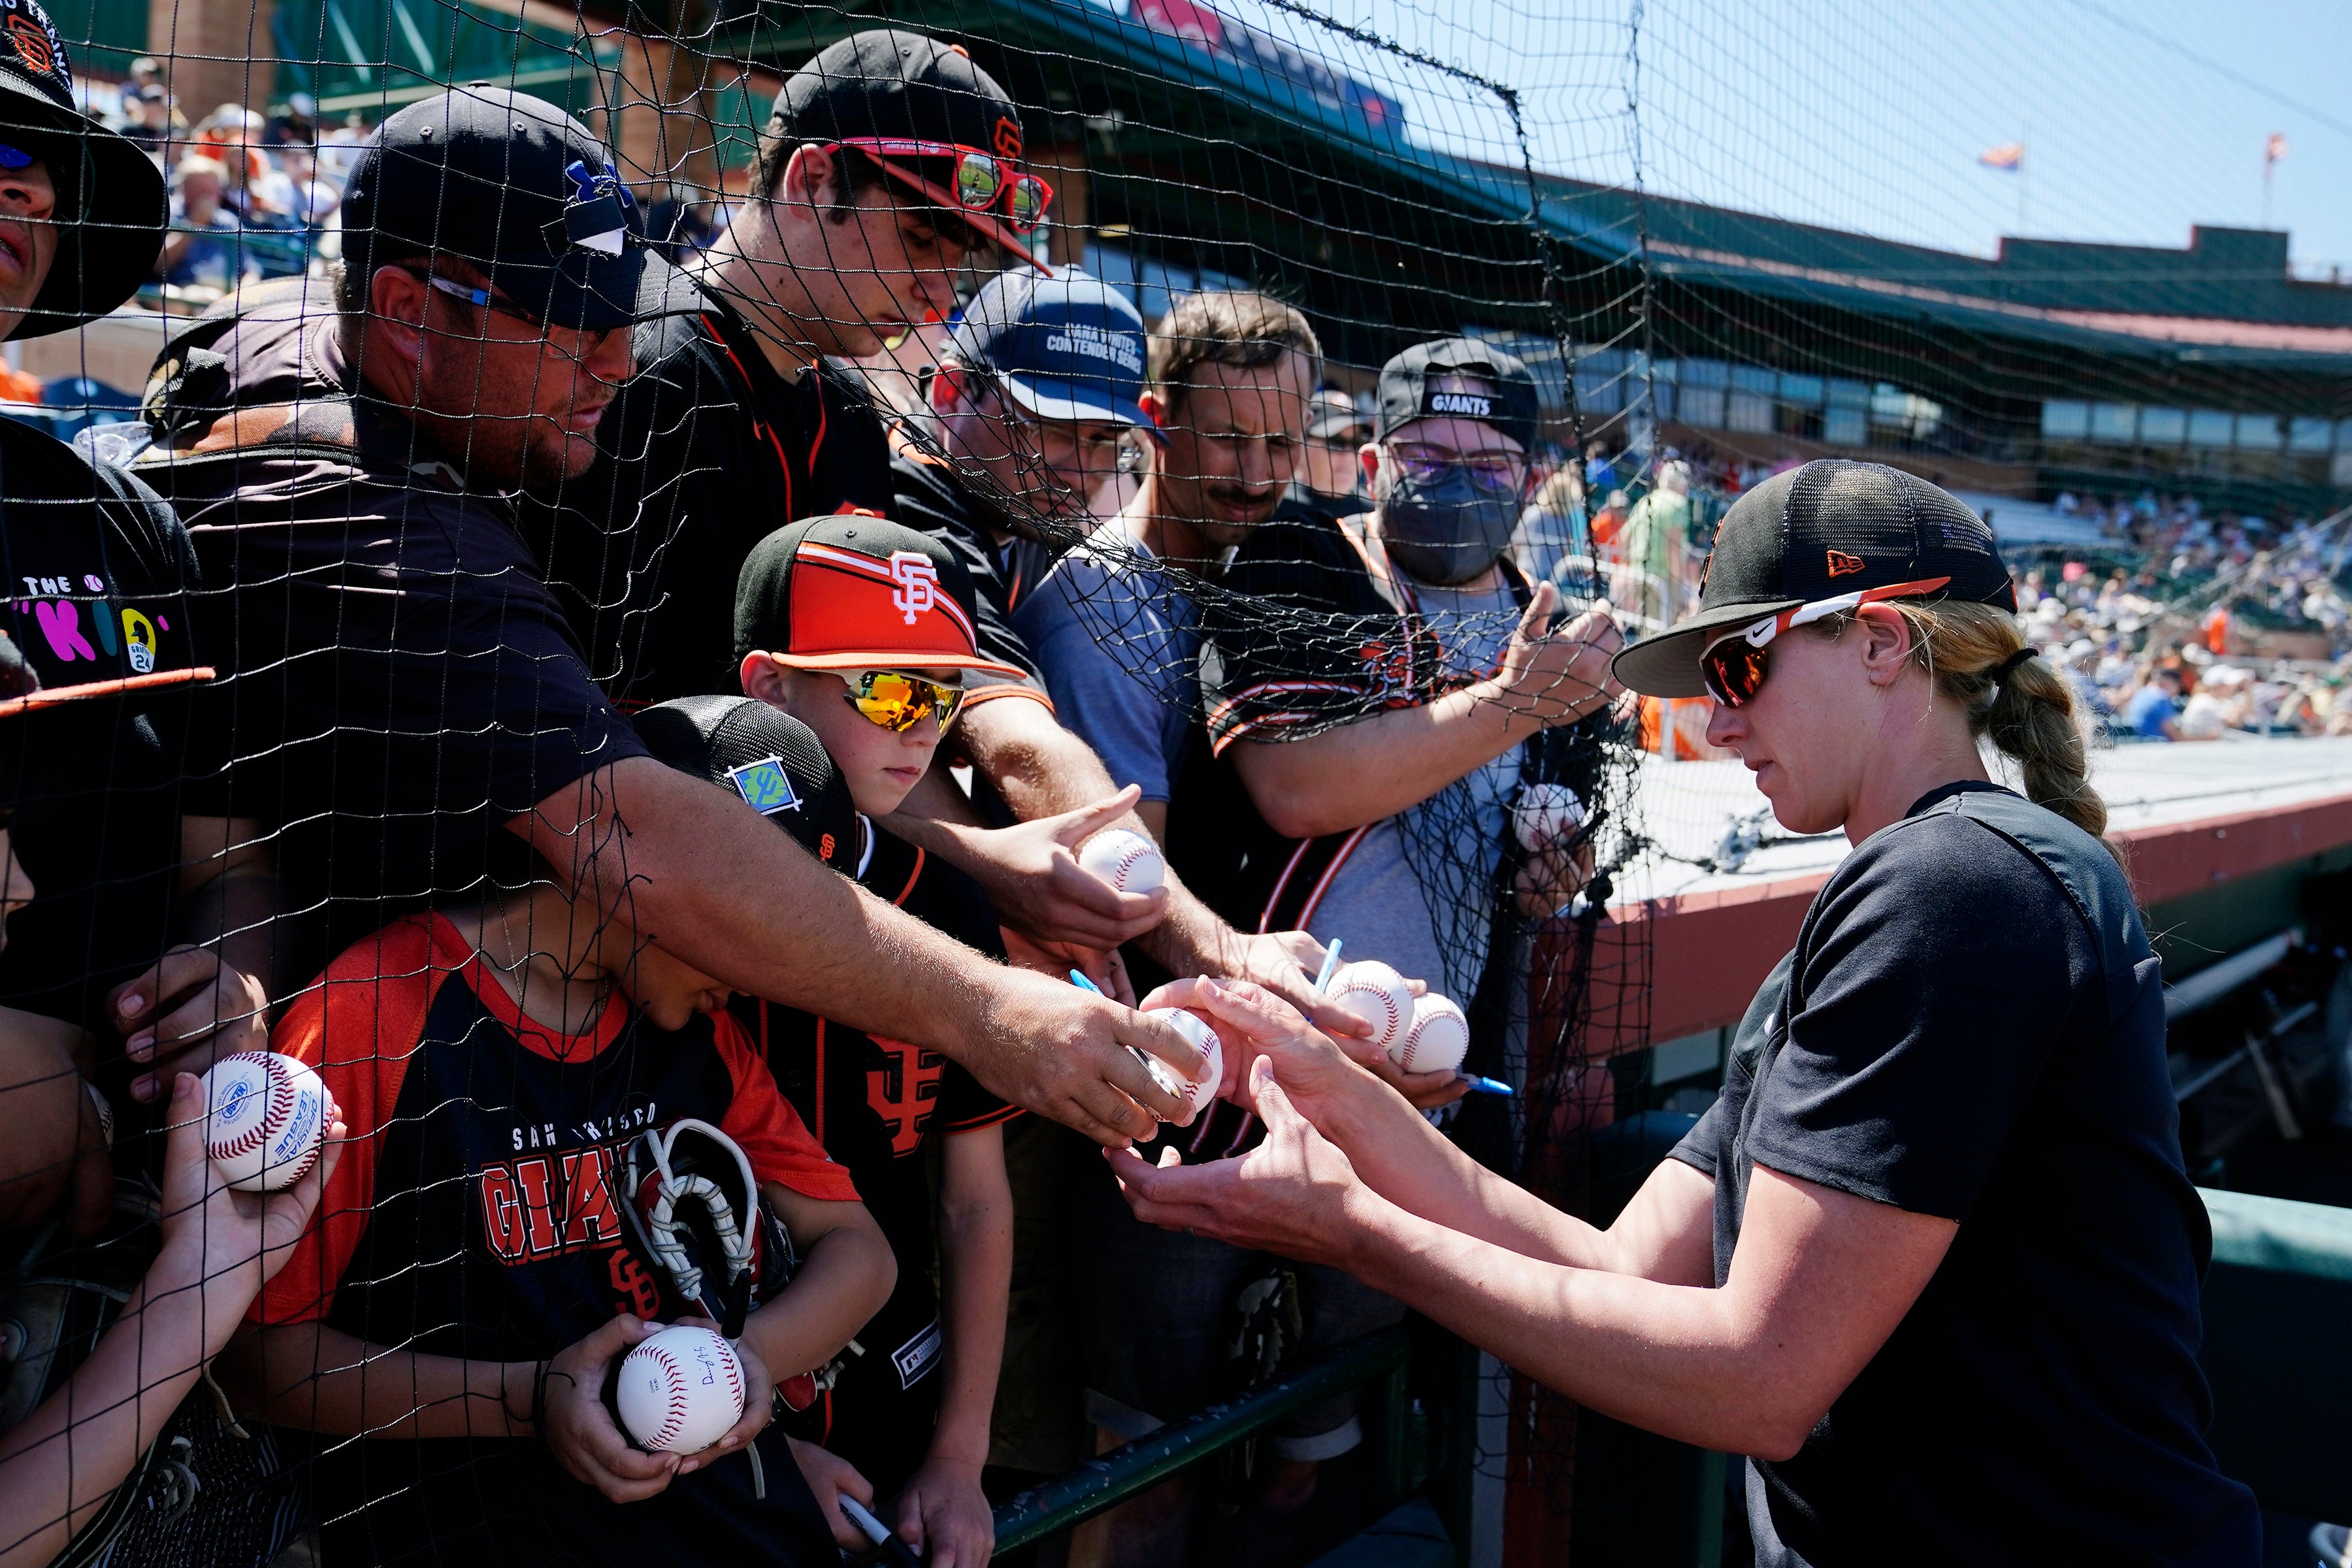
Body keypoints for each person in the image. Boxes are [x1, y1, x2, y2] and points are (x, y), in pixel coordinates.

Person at [1115, 461, 2263, 1566]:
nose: (1718, 724)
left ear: (1879, 641)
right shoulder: (1924, 887)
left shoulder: (1956, 884)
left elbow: (1759, 1383)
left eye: (1740, 668)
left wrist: (1355, 1233)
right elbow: (1620, 1268)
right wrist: (1339, 1098)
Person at [131, 90, 1203, 1158]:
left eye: (622, 311)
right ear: (409, 311)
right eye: (572, 322)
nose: (616, 358)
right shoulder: (378, 518)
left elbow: (238, 834)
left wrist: (241, 959)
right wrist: (993, 1011)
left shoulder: (352, 365)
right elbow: (635, 831)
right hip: (335, 1072)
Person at [227, 739, 896, 1565]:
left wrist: (747, 1359)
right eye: (762, 923)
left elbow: (862, 1253)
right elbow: (253, 1361)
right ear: (648, 863)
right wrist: (527, 1398)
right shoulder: (372, 1014)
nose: (770, 975)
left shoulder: (696, 1027)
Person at [521, 28, 1047, 711]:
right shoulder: (644, 368)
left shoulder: (849, 411)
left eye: (961, 261)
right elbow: (627, 718)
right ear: (812, 180)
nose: (941, 294)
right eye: (921, 240)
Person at [728, 516, 1024, 1566]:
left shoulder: (948, 899)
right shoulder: (674, 897)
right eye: (890, 691)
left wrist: (960, 1456)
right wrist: (751, 1447)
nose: (922, 729)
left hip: (895, 1384)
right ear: (769, 688)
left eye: (943, 695)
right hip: (698, 1381)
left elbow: (975, 1200)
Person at [0, 12, 272, 1115]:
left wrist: (234, 981)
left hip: (155, 1161)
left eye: (39, 165)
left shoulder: (128, 524)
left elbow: (231, 865)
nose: (19, 184)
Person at [1616, 457, 1690, 632]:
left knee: (1645, 630)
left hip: (1638, 575)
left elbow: (1624, 536)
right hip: (1663, 581)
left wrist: (1626, 566)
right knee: (1662, 633)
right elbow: (1673, 548)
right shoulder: (1679, 504)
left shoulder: (1645, 500)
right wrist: (1679, 584)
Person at [157, 153, 246, 292]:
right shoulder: (168, 213)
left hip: (224, 292)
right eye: (201, 189)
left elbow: (250, 270)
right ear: (183, 188)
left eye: (213, 189)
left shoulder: (229, 222)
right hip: (177, 288)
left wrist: (243, 293)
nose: (208, 196)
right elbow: (158, 266)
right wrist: (195, 223)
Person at [1299, 386, 1370, 507]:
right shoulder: (1274, 504)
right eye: (1336, 443)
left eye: (1358, 444)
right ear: (1302, 442)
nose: (1349, 456)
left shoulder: (1375, 512)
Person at [2122, 664, 2197, 742]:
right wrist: (2203, 739)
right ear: (2169, 681)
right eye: (2178, 686)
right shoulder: (2161, 699)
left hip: (2139, 743)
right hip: (2155, 745)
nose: (2178, 691)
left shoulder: (2141, 693)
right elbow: (2175, 737)